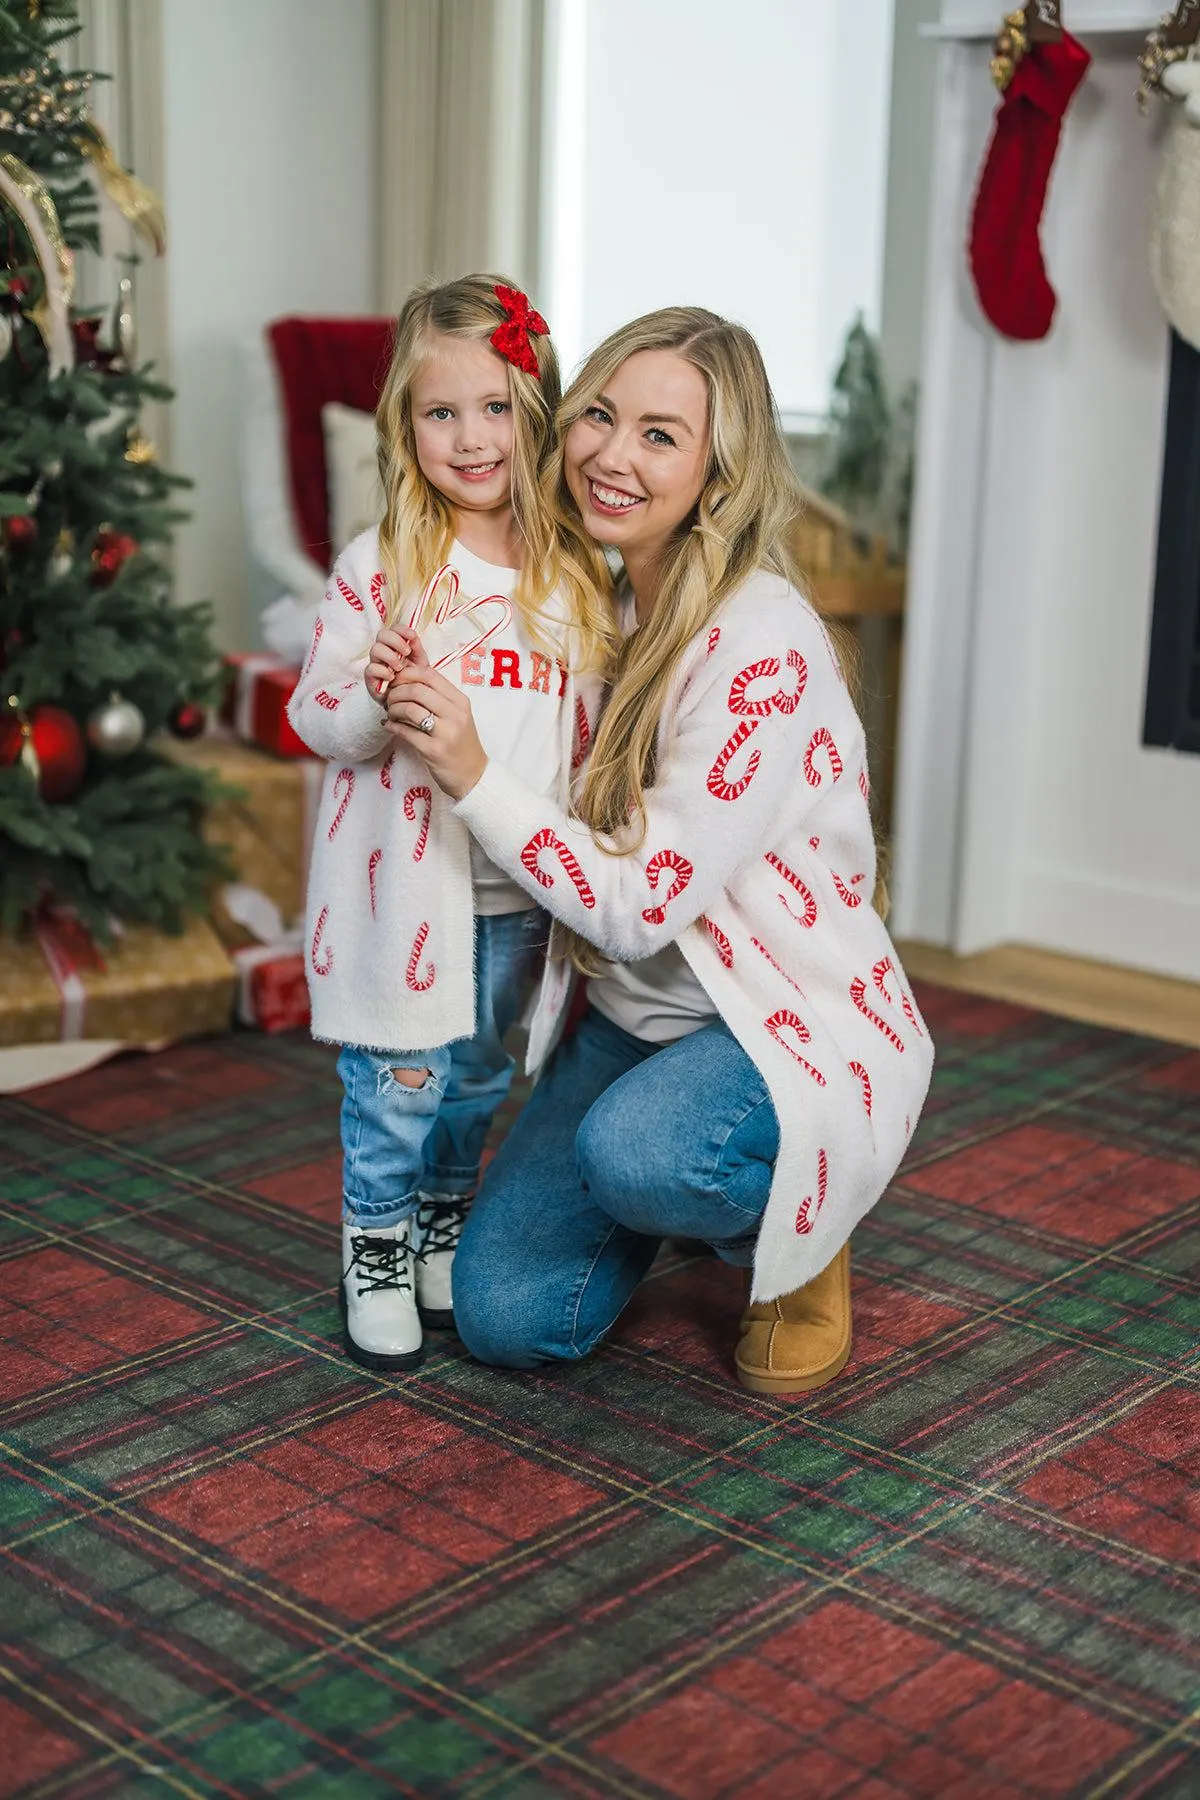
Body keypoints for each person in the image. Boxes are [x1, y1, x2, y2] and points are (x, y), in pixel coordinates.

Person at [384, 306, 934, 1394]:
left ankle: (798, 1237)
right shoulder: (592, 604)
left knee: (638, 1154)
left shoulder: (760, 641)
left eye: (660, 435)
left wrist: (472, 775)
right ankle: (671, 1186)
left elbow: (638, 906)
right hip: (627, 1025)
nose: (612, 454)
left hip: (769, 1024)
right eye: (599, 415)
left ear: (717, 476)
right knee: (505, 1319)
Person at [287, 274, 610, 1373]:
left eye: (497, 409)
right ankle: (373, 1237)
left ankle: (441, 1212)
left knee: (475, 1077)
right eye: (441, 412)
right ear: (404, 425)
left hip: (517, 893)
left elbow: (591, 727)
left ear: (540, 415)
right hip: (409, 898)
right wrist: (370, 700)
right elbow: (315, 715)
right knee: (397, 1084)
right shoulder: (385, 567)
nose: (471, 439)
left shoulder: (575, 575)